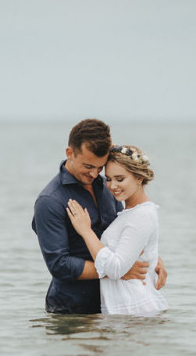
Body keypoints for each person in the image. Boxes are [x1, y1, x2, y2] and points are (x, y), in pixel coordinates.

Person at [32, 119, 167, 314]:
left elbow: (124, 231)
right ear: (70, 153)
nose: (95, 174)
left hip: (112, 306)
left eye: (100, 167)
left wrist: (150, 259)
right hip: (72, 310)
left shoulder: (107, 186)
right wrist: (117, 271)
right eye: (88, 166)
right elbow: (59, 265)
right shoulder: (50, 201)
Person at [66, 144, 168, 315]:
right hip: (125, 312)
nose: (112, 186)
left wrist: (86, 231)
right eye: (108, 179)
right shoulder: (130, 212)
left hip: (134, 312)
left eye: (120, 179)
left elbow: (115, 269)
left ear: (139, 178)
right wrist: (154, 259)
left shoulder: (141, 215)